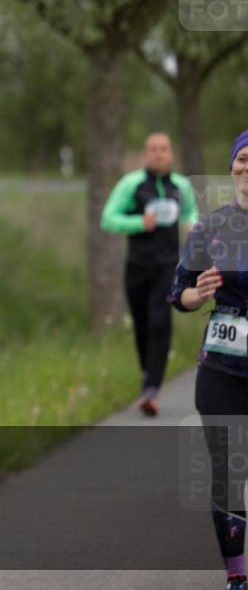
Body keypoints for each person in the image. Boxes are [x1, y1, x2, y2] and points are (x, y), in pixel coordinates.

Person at [171, 129, 248, 590]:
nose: (247, 168)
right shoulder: (212, 227)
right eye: (241, 159)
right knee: (227, 469)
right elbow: (178, 291)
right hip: (222, 366)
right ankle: (237, 576)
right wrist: (194, 295)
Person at [100, 132, 198, 416]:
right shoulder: (132, 184)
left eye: (164, 149)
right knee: (142, 326)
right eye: (153, 149)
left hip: (168, 265)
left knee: (159, 321)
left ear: (171, 154)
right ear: (146, 154)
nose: (158, 154)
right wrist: (139, 222)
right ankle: (149, 375)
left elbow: (191, 213)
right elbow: (108, 218)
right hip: (137, 266)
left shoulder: (181, 186)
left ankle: (151, 389)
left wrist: (192, 226)